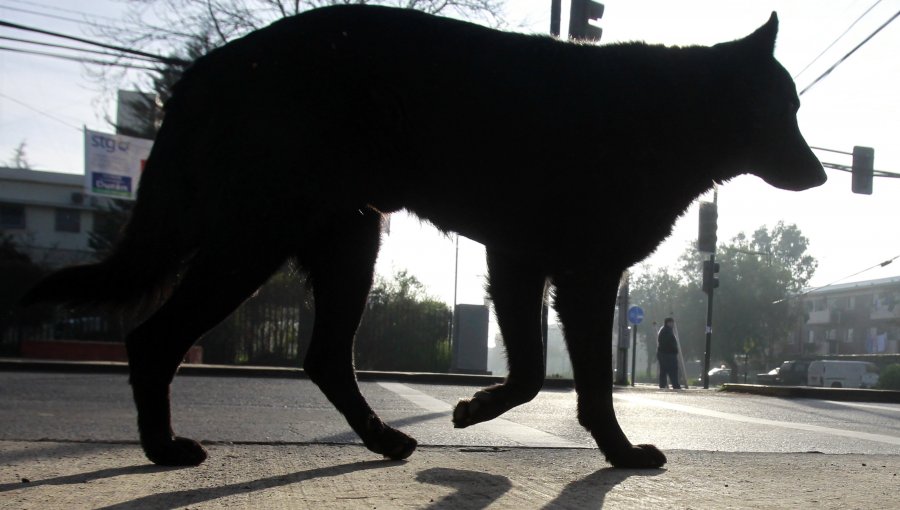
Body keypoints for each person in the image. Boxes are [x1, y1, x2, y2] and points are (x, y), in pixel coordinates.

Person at [657, 317, 681, 389]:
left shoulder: (664, 330)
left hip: (663, 353)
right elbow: (668, 343)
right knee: (673, 370)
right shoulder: (667, 331)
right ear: (668, 323)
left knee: (664, 370)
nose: (673, 324)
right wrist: (674, 350)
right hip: (668, 354)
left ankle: (662, 385)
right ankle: (675, 385)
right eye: (672, 323)